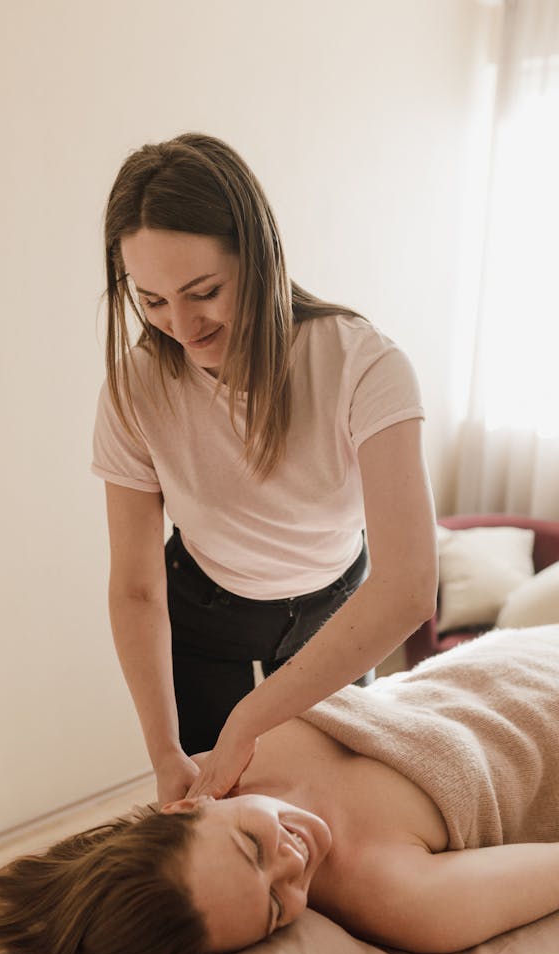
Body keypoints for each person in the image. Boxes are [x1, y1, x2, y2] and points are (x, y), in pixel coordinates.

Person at [0, 620, 559, 954]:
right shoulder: (399, 895)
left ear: (190, 806)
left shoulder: (240, 746)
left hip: (522, 646)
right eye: (278, 907)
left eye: (252, 846)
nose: (294, 866)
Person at [91, 132, 438, 804]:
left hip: (339, 605)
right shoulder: (136, 389)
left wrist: (251, 718)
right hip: (204, 607)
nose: (182, 327)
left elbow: (409, 585)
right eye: (153, 300)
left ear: (258, 255)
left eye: (203, 291)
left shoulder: (363, 365)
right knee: (213, 813)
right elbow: (135, 589)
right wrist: (164, 753)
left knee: (331, 805)